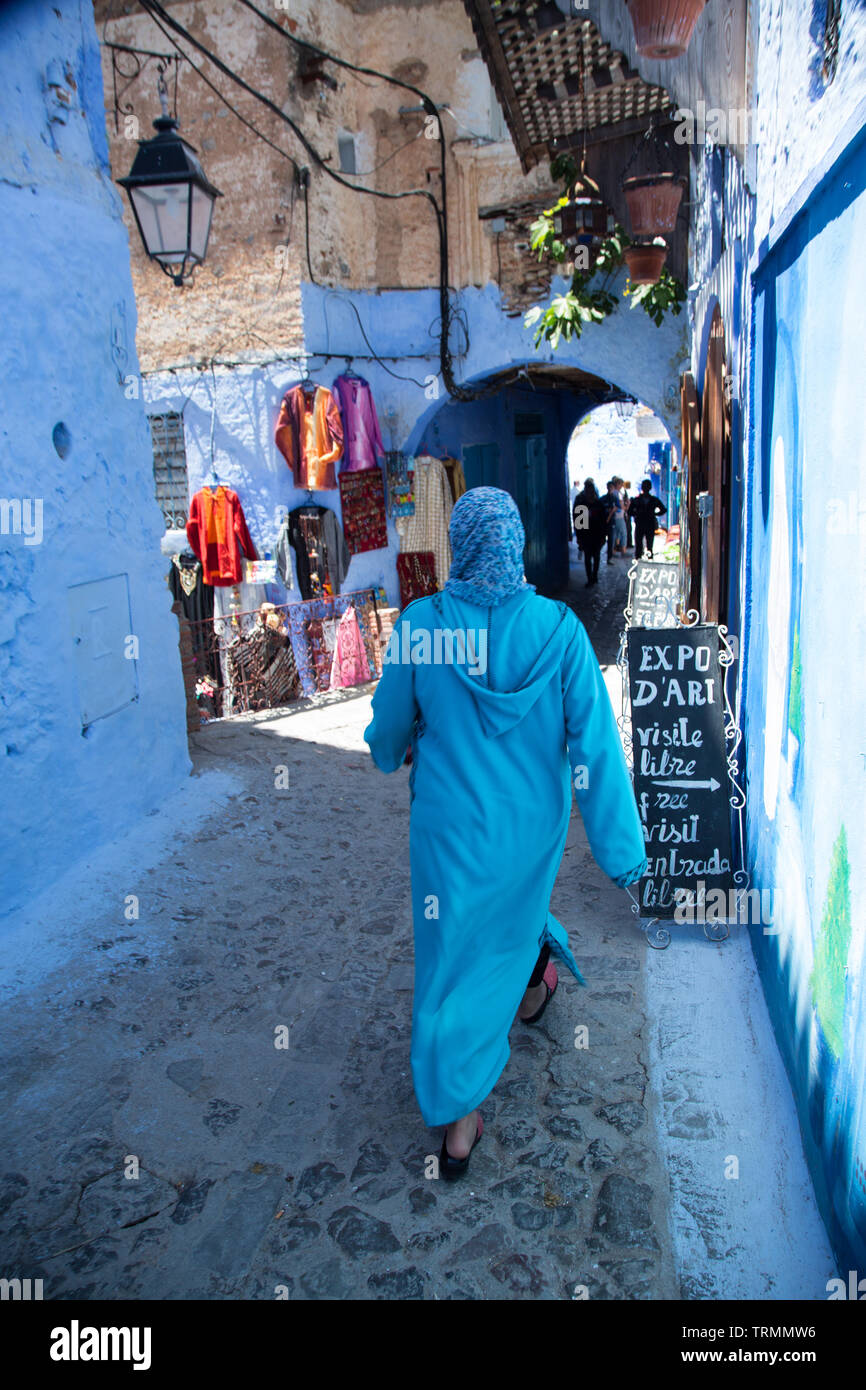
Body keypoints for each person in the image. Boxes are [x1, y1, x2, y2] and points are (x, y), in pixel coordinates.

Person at [364, 487, 647, 1177]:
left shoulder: (423, 625)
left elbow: (388, 733)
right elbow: (596, 748)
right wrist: (623, 852)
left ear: (462, 544)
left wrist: (387, 745)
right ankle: (528, 991)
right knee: (511, 912)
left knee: (450, 956)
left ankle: (460, 1124)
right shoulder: (558, 630)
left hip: (448, 835)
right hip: (527, 830)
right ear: (514, 543)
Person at [578, 480, 607, 586]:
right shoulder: (582, 505)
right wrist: (579, 538)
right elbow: (579, 525)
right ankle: (590, 578)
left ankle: (594, 576)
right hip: (586, 536)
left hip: (597, 536)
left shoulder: (599, 505)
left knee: (596, 557)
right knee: (587, 558)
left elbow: (604, 522)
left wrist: (604, 535)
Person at [630, 479, 667, 559]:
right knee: (640, 546)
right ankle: (639, 560)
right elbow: (630, 511)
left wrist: (654, 514)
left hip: (648, 524)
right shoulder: (637, 500)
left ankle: (647, 561)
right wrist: (637, 514)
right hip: (642, 524)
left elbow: (663, 510)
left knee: (648, 545)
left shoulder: (652, 500)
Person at [622, 480, 633, 549]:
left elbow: (627, 502)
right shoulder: (621, 493)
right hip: (624, 513)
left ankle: (628, 543)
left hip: (626, 512)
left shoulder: (624, 492)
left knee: (628, 528)